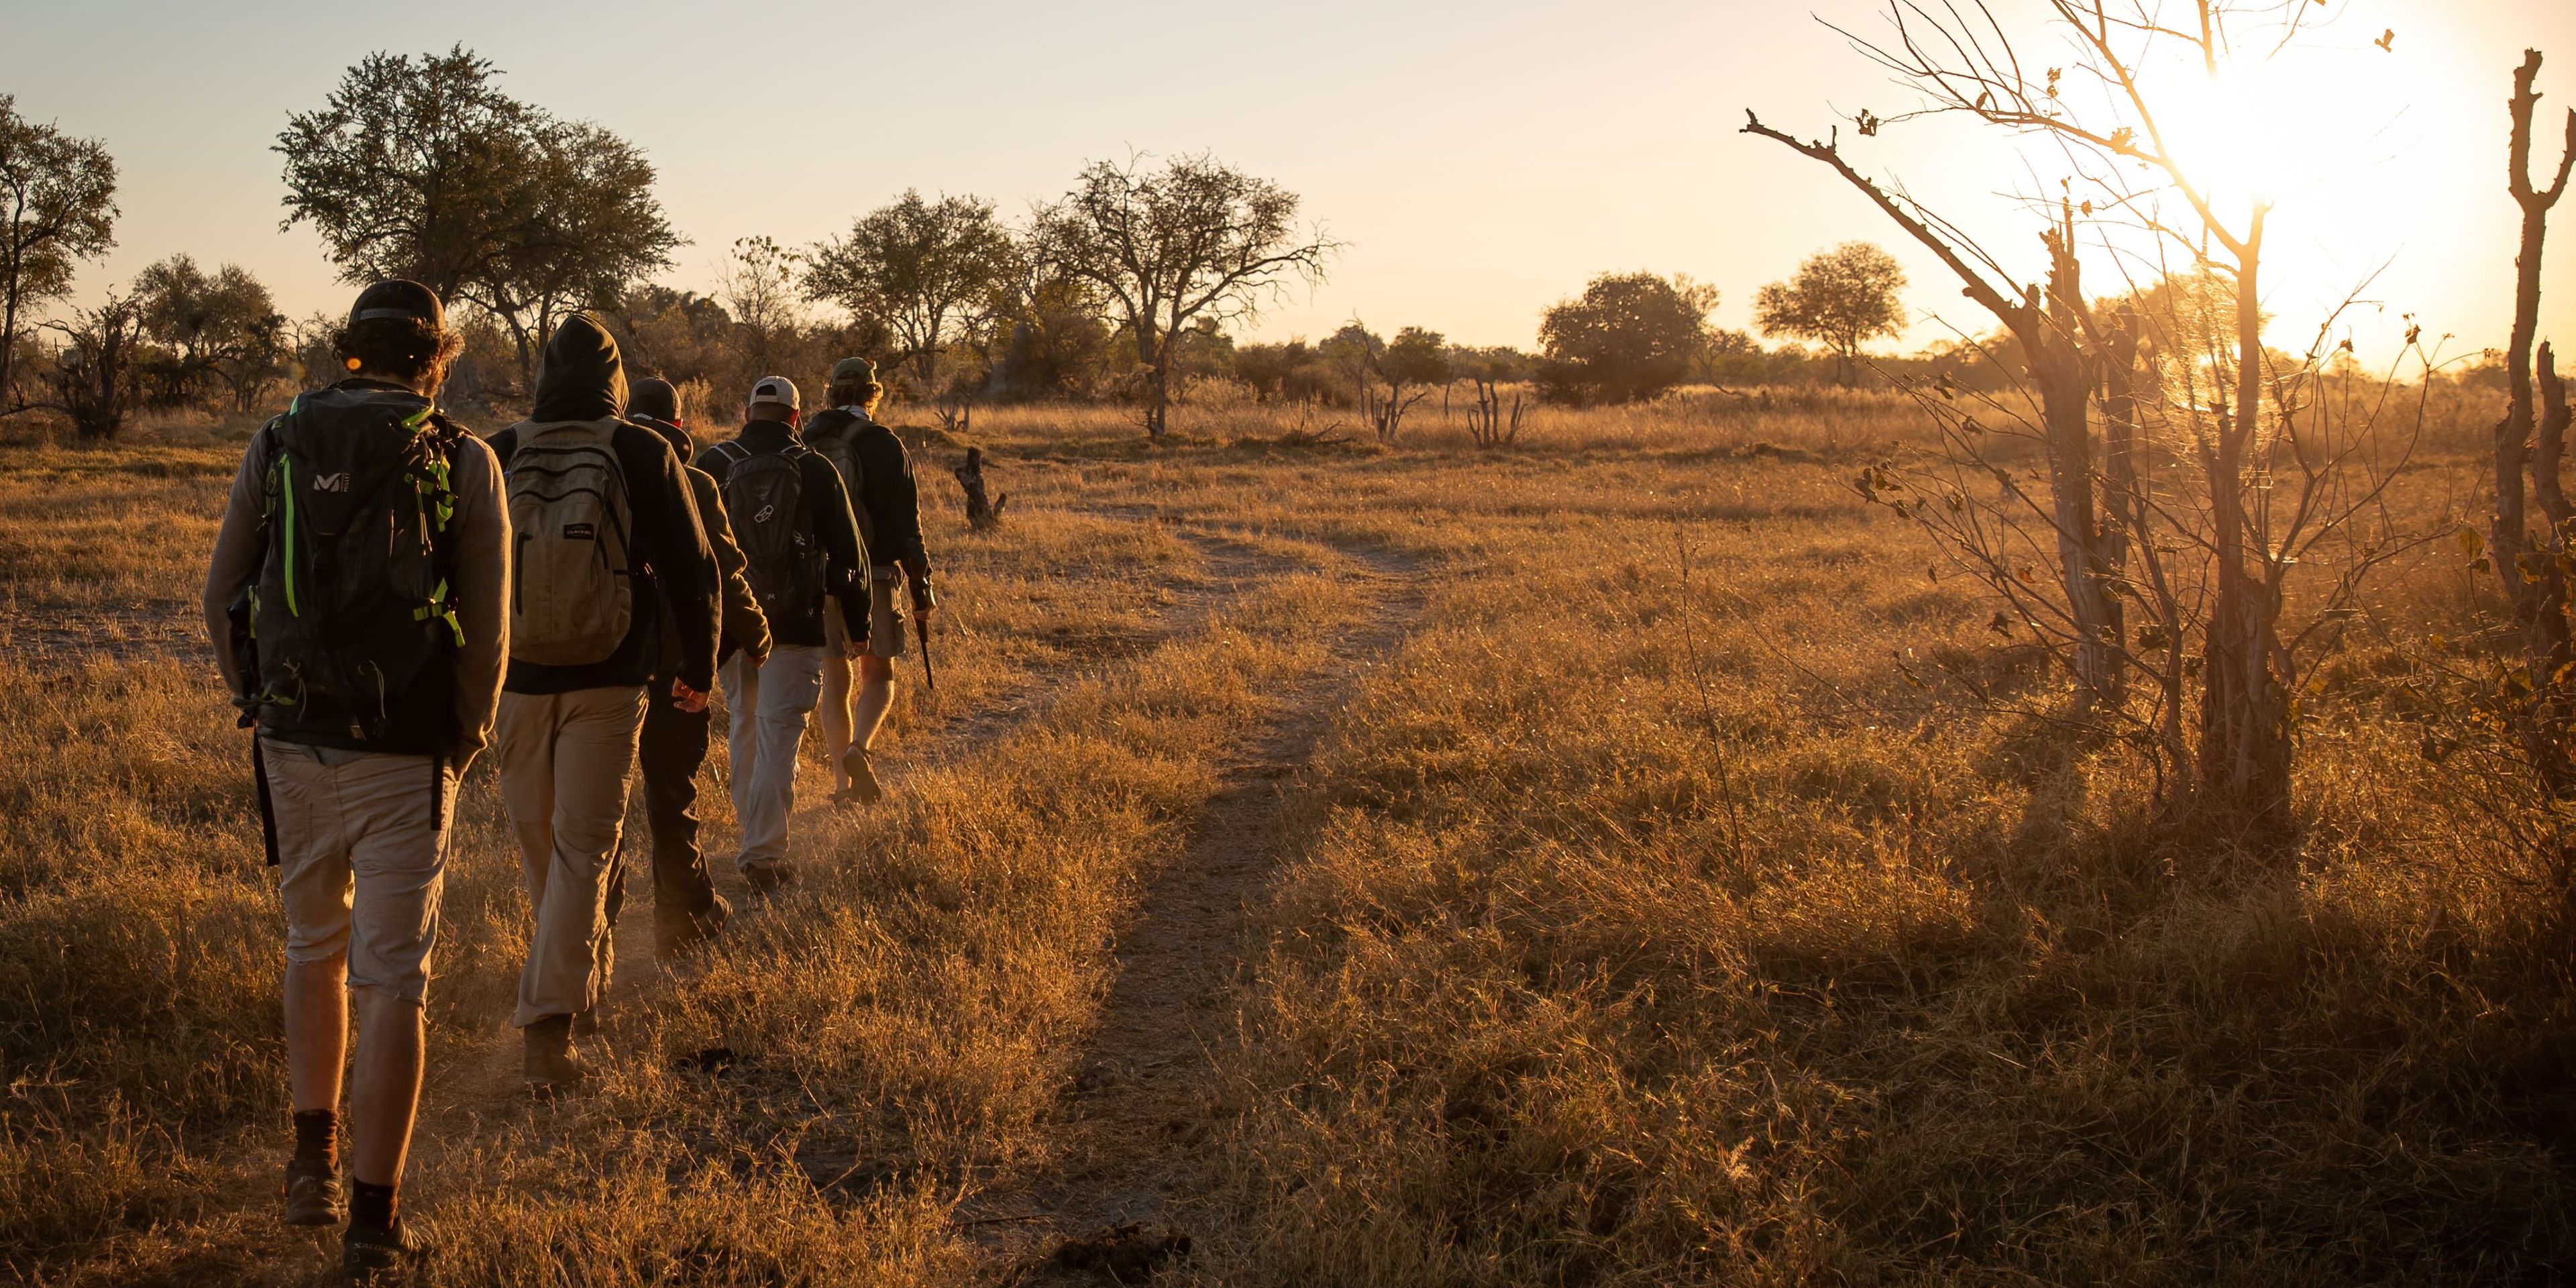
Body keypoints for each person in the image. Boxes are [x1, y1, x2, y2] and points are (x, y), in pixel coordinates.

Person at [203, 280, 508, 1282]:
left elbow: (222, 597)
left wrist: (262, 702)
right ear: (437, 357)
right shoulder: (462, 457)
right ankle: (373, 1225)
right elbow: (489, 636)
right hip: (407, 752)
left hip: (292, 738)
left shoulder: (279, 440)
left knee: (310, 946)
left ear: (350, 352)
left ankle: (311, 1162)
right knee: (394, 981)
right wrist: (459, 743)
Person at [486, 316, 718, 1090]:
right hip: (611, 682)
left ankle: (564, 1004)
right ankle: (553, 1026)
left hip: (512, 685)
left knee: (548, 851)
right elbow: (693, 567)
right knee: (584, 850)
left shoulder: (499, 449)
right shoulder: (641, 449)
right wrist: (699, 666)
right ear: (616, 379)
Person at [695, 376, 871, 893]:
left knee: (745, 725)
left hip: (731, 626)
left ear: (748, 415)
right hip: (795, 625)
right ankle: (763, 853)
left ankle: (755, 834)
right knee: (779, 735)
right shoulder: (814, 468)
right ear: (797, 419)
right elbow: (849, 554)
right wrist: (857, 625)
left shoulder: (713, 465)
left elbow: (694, 553)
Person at [623, 377, 770, 956]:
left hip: (605, 660)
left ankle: (594, 927)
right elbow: (723, 575)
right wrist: (759, 637)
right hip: (677, 662)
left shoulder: (607, 470)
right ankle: (684, 913)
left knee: (600, 804)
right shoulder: (697, 482)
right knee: (671, 791)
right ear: (680, 425)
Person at [798, 357, 936, 803]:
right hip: (873, 572)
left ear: (831, 393)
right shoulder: (885, 443)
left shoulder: (807, 441)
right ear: (873, 394)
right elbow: (908, 524)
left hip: (820, 574)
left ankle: (843, 784)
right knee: (879, 674)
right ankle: (861, 749)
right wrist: (921, 586)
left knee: (834, 680)